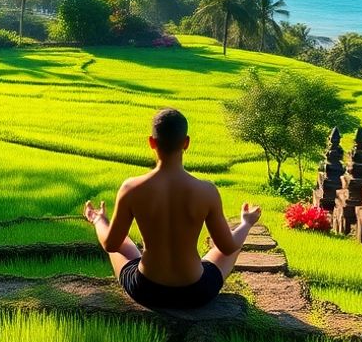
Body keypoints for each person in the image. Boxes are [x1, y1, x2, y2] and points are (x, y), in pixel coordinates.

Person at [84, 107, 261, 311]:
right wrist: (246, 223)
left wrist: (98, 219)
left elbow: (111, 244)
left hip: (146, 290)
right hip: (196, 292)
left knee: (123, 241)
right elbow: (228, 247)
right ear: (186, 143)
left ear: (151, 142)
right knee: (232, 243)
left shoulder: (131, 188)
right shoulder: (206, 191)